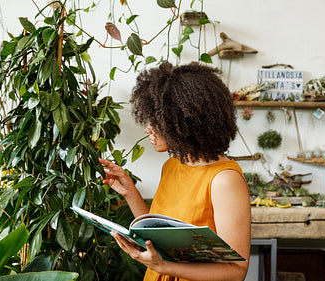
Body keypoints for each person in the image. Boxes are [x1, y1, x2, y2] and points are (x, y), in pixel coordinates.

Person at [99, 61, 250, 281]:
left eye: (157, 120)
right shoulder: (171, 166)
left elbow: (236, 272)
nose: (147, 128)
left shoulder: (224, 180)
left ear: (185, 121)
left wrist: (164, 266)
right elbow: (159, 236)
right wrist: (129, 192)